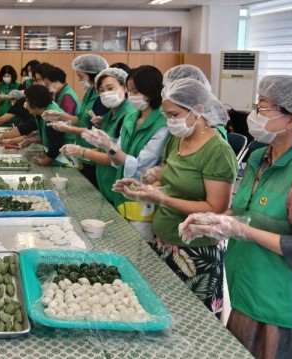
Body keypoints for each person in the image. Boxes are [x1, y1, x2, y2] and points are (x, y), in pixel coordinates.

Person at [179, 75, 292, 358]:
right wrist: (212, 221)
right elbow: (243, 210)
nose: (254, 115)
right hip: (246, 289)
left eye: (264, 108)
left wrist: (240, 230)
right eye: (256, 106)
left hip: (283, 306)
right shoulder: (259, 156)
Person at [114, 77, 237, 317]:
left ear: (198, 111)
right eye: (166, 115)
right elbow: (168, 179)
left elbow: (216, 209)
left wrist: (162, 199)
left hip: (195, 252)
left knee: (191, 321)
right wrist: (144, 189)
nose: (170, 121)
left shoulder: (217, 151)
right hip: (165, 241)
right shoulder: (177, 138)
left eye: (175, 114)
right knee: (161, 312)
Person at [82, 66, 169, 242]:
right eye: (130, 91)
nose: (131, 96)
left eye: (136, 91)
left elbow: (141, 166)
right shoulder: (132, 117)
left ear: (151, 90)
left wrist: (110, 147)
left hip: (144, 196)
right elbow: (117, 159)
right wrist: (105, 145)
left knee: (139, 247)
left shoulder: (163, 122)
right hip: (121, 192)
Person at [60, 67, 137, 204]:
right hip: (105, 183)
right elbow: (104, 149)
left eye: (110, 88)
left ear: (125, 88)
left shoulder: (128, 116)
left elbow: (113, 158)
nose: (106, 93)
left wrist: (83, 152)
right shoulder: (108, 116)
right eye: (101, 90)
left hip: (119, 188)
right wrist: (79, 150)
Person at [43, 54, 108, 188]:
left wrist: (67, 129)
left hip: (95, 152)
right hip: (84, 149)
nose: (79, 80)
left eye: (81, 77)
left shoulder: (102, 98)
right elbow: (79, 119)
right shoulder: (89, 93)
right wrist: (60, 116)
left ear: (94, 75)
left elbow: (95, 131)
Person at [0, 84, 75, 167]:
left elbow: (56, 145)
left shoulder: (51, 116)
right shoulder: (41, 112)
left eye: (27, 100)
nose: (25, 104)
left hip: (66, 159)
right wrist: (0, 136)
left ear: (34, 103)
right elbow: (24, 129)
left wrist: (44, 162)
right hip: (57, 156)